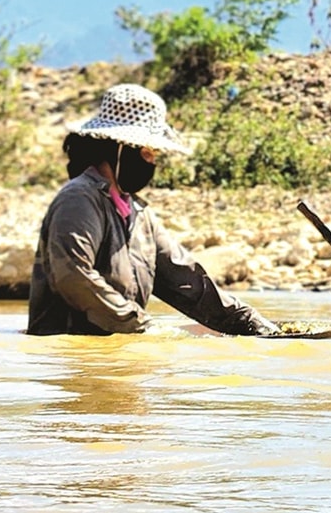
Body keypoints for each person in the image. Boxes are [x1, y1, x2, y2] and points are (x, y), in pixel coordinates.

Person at [27, 83, 276, 337]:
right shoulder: (79, 200)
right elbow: (74, 277)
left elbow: (187, 282)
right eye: (147, 154)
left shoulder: (139, 215)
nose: (153, 163)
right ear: (120, 147)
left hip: (119, 361)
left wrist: (251, 323)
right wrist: (142, 326)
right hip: (71, 359)